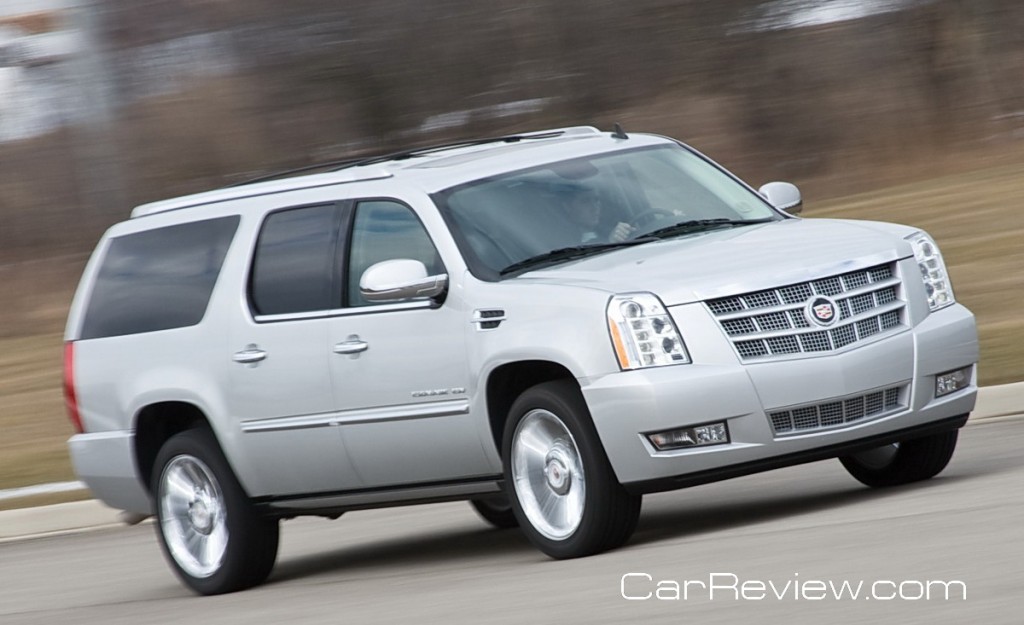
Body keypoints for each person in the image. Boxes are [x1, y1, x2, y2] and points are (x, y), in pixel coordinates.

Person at [563, 189, 634, 243]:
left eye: (596, 200)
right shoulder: (564, 241)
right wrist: (610, 242)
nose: (594, 207)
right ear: (568, 207)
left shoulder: (608, 229)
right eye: (585, 201)